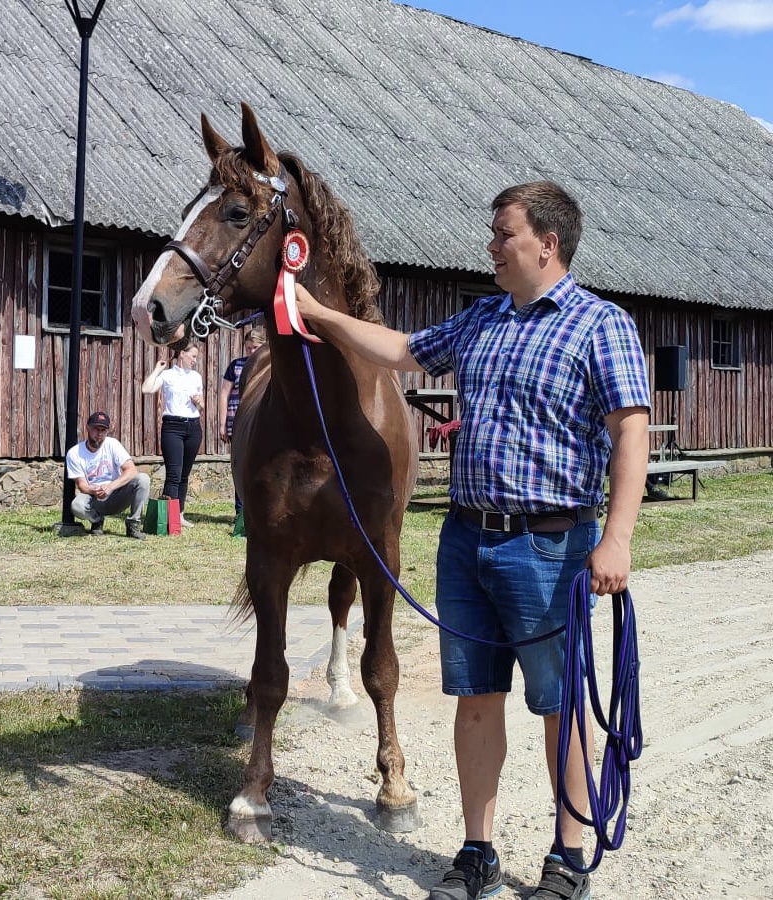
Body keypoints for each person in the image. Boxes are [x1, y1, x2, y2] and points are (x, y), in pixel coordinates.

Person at [294, 181, 650, 900]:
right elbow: (399, 350)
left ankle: (568, 855)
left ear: (546, 244)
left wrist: (617, 537)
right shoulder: (482, 318)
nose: (490, 245)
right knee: (477, 698)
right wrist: (317, 313)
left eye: (503, 234)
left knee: (560, 704)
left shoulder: (599, 325)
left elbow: (629, 431)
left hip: (551, 546)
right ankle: (478, 850)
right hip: (468, 540)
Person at [142, 344, 204, 529]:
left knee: (184, 474)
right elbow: (146, 389)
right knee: (174, 474)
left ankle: (179, 514)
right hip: (173, 427)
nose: (195, 360)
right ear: (182, 354)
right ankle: (169, 516)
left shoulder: (196, 377)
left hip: (193, 426)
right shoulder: (167, 375)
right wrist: (157, 369)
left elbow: (201, 407)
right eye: (192, 356)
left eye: (196, 357)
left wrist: (200, 403)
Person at [65, 411, 150, 540]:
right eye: (95, 429)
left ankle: (133, 524)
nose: (99, 434)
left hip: (117, 493)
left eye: (103, 430)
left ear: (107, 431)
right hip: (94, 497)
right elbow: (82, 485)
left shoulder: (112, 444)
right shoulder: (75, 453)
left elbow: (131, 470)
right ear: (87, 428)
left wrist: (110, 486)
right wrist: (93, 490)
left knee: (143, 479)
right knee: (77, 506)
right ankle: (96, 521)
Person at [218, 326, 266, 531]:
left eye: (255, 348)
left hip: (262, 421)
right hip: (238, 420)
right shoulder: (236, 366)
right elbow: (224, 394)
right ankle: (240, 512)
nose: (251, 352)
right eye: (248, 348)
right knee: (241, 464)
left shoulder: (269, 367)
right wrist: (222, 422)